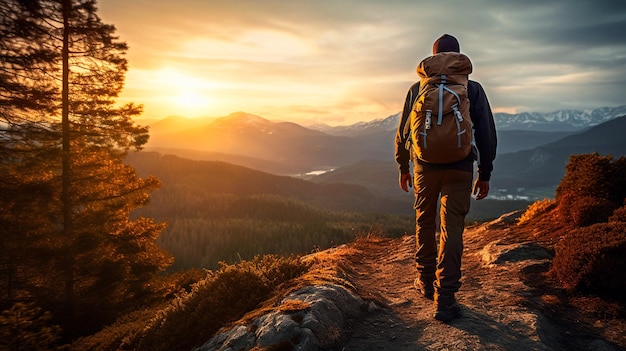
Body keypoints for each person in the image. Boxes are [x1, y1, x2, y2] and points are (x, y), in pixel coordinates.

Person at [394, 34, 497, 322]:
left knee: (425, 222)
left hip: (424, 167)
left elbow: (404, 132)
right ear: (458, 56)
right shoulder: (471, 89)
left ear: (433, 56)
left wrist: (403, 166)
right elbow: (486, 133)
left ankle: (425, 281)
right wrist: (485, 172)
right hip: (460, 166)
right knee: (452, 230)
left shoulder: (418, 88)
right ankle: (445, 299)